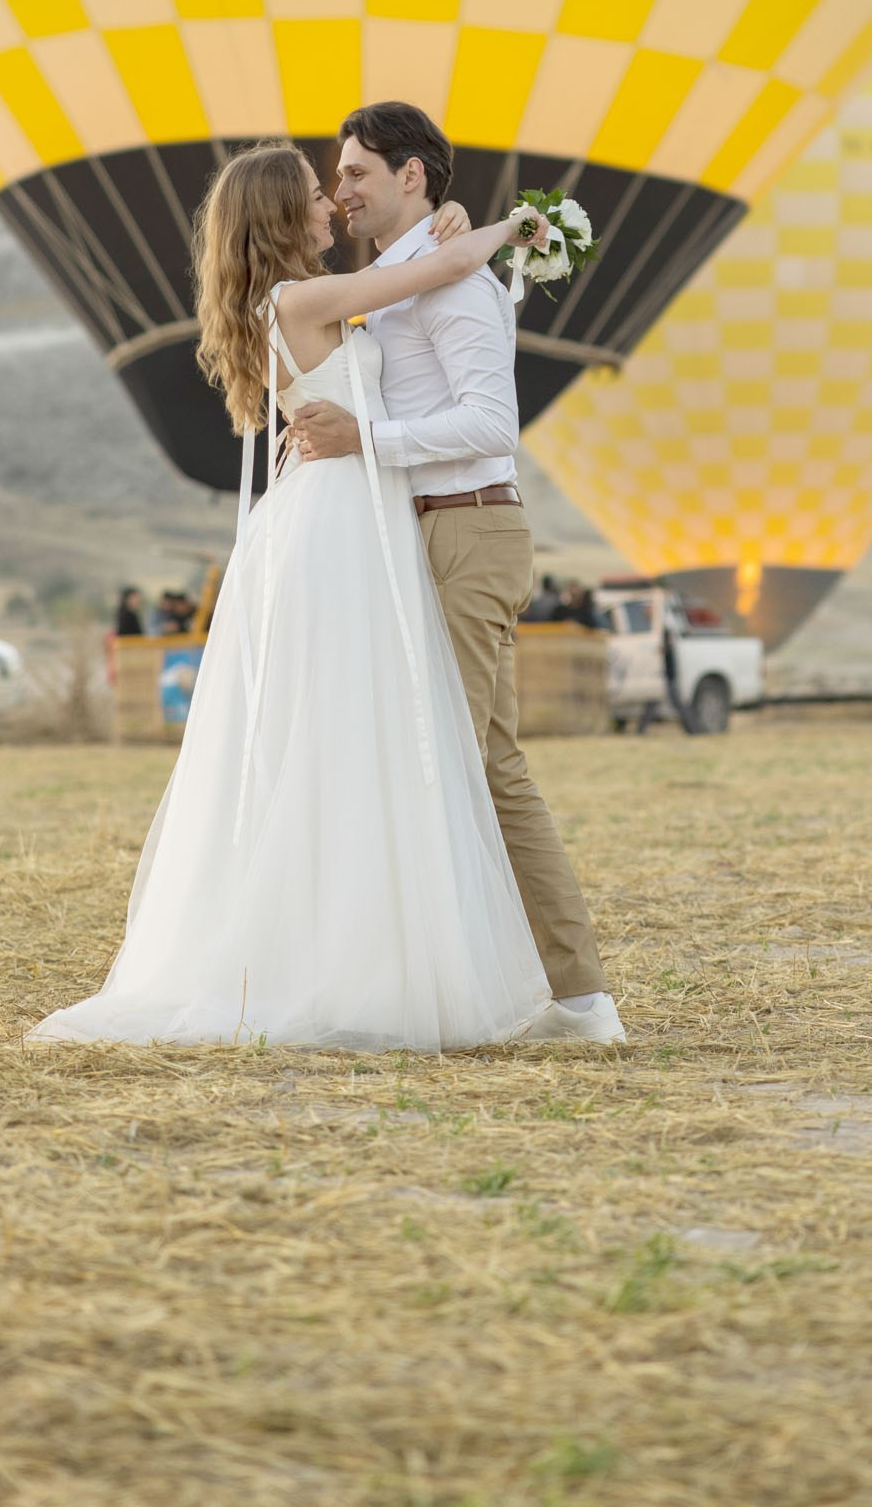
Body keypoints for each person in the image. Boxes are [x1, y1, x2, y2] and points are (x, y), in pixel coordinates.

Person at [32, 143, 555, 1054]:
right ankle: (361, 959)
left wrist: (454, 228)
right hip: (344, 520)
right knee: (365, 740)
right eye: (318, 195)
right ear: (283, 215)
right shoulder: (300, 298)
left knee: (337, 739)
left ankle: (340, 950)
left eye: (341, 185)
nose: (333, 204)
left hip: (334, 512)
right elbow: (446, 270)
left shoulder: (279, 305)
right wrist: (517, 224)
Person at [285, 103, 625, 1046]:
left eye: (356, 172)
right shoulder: (397, 278)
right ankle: (478, 987)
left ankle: (579, 1000)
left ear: (412, 178)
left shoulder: (458, 286)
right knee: (436, 763)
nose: (341, 189)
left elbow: (490, 427)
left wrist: (367, 439)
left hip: (468, 532)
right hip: (411, 536)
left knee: (476, 765)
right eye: (336, 175)